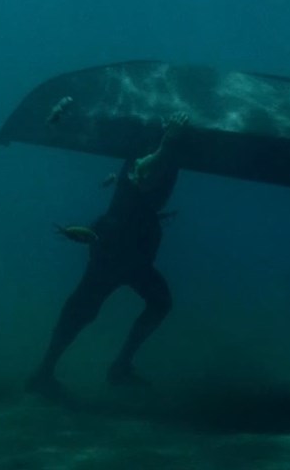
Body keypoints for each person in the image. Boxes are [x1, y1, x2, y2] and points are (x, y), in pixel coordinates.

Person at [27, 113, 190, 398]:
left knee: (156, 302)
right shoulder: (151, 148)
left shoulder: (166, 150)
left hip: (134, 248)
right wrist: (167, 143)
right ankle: (47, 371)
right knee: (83, 308)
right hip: (118, 246)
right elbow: (142, 177)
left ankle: (116, 366)